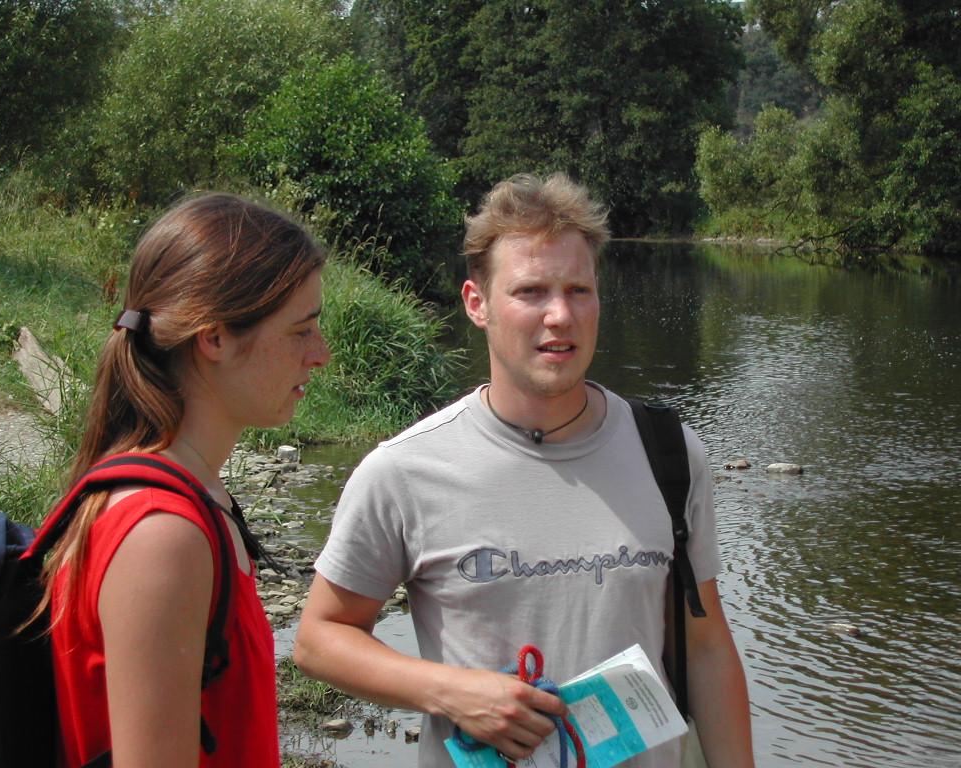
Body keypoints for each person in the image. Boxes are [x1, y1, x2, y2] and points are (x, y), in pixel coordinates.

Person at [294, 173, 754, 767]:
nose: (559, 315)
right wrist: (451, 691)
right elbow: (319, 638)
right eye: (531, 291)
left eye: (578, 290)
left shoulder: (669, 453)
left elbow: (707, 646)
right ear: (476, 304)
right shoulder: (404, 471)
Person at [41, 193, 330, 767]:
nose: (319, 354)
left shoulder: (201, 498)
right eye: (302, 331)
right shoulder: (161, 535)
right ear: (215, 336)